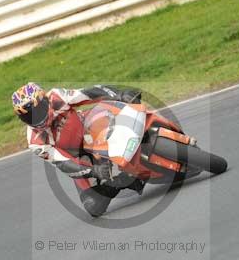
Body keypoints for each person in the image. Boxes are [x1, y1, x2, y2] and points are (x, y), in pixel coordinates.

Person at [12, 82, 144, 217]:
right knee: (93, 207)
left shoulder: (56, 97)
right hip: (79, 157)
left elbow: (88, 93)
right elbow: (63, 163)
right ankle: (120, 182)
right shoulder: (35, 142)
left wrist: (119, 94)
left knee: (120, 108)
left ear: (45, 100)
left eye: (38, 110)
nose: (36, 118)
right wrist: (94, 171)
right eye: (29, 117)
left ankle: (143, 134)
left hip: (90, 128)